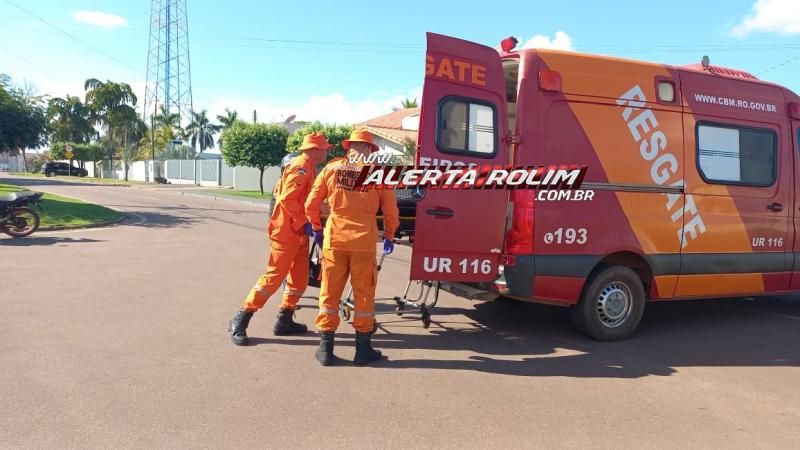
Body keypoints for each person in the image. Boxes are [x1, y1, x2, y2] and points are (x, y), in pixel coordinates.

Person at [228, 132, 334, 345]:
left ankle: (284, 320)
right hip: (286, 233)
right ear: (314, 150)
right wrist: (303, 222)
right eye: (324, 149)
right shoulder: (300, 167)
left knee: (300, 279)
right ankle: (240, 319)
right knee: (274, 278)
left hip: (297, 233)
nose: (326, 153)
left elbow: (305, 200)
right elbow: (287, 199)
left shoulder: (309, 167)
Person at [305, 129, 399, 366]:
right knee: (364, 296)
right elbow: (391, 211)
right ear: (368, 149)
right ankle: (363, 350)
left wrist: (317, 228)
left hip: (334, 239)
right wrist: (389, 235)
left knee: (329, 293)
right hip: (364, 242)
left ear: (349, 147)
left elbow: (311, 204)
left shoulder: (331, 169)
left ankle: (325, 350)